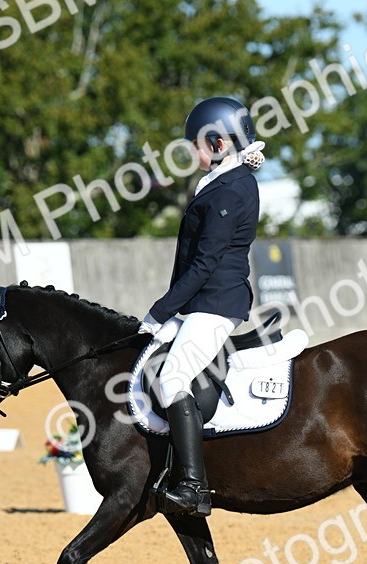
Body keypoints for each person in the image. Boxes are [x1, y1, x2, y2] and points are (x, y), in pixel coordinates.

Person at [138, 97, 266, 516]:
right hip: (202, 302)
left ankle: (194, 486)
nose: (191, 152)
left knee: (172, 378)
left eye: (196, 144)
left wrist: (160, 311)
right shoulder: (225, 181)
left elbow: (205, 262)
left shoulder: (231, 188)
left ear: (217, 142)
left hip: (216, 303)